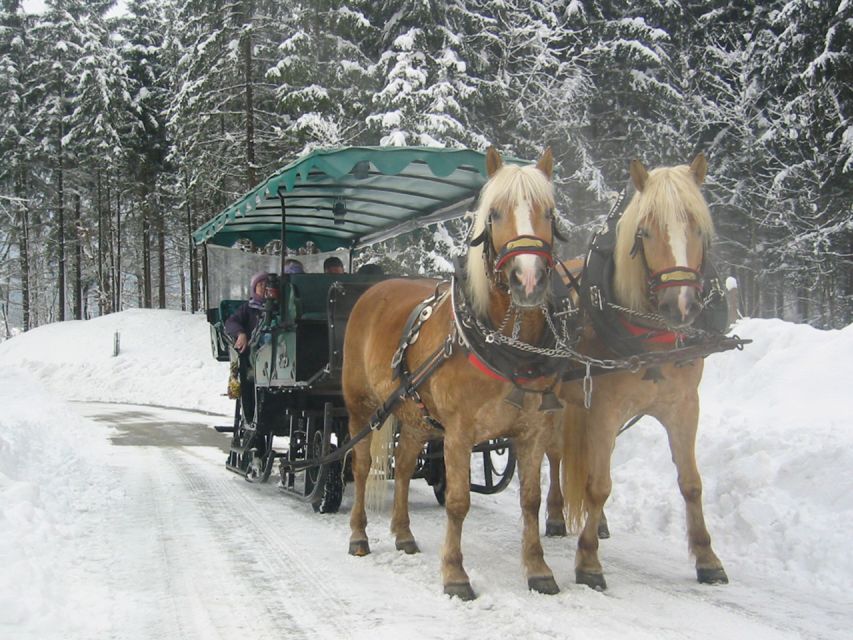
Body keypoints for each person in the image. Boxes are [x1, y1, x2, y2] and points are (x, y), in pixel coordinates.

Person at [225, 272, 275, 422]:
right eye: (260, 284)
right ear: (254, 288)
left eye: (267, 284)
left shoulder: (279, 306)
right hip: (254, 352)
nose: (264, 287)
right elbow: (231, 323)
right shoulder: (248, 308)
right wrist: (241, 334)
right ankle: (250, 414)